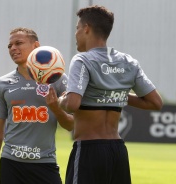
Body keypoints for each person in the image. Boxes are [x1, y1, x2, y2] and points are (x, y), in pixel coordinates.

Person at [58, 5, 163, 184]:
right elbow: (155, 103)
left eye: (77, 29)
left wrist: (61, 100)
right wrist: (115, 94)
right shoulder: (128, 61)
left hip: (88, 151)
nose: (75, 34)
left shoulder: (82, 59)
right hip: (118, 151)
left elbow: (73, 104)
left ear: (86, 29)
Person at [0, 27, 74, 184]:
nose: (13, 48)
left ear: (36, 46)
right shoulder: (2, 83)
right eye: (10, 46)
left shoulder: (57, 79)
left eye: (18, 43)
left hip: (45, 163)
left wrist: (55, 109)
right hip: (10, 163)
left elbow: (70, 125)